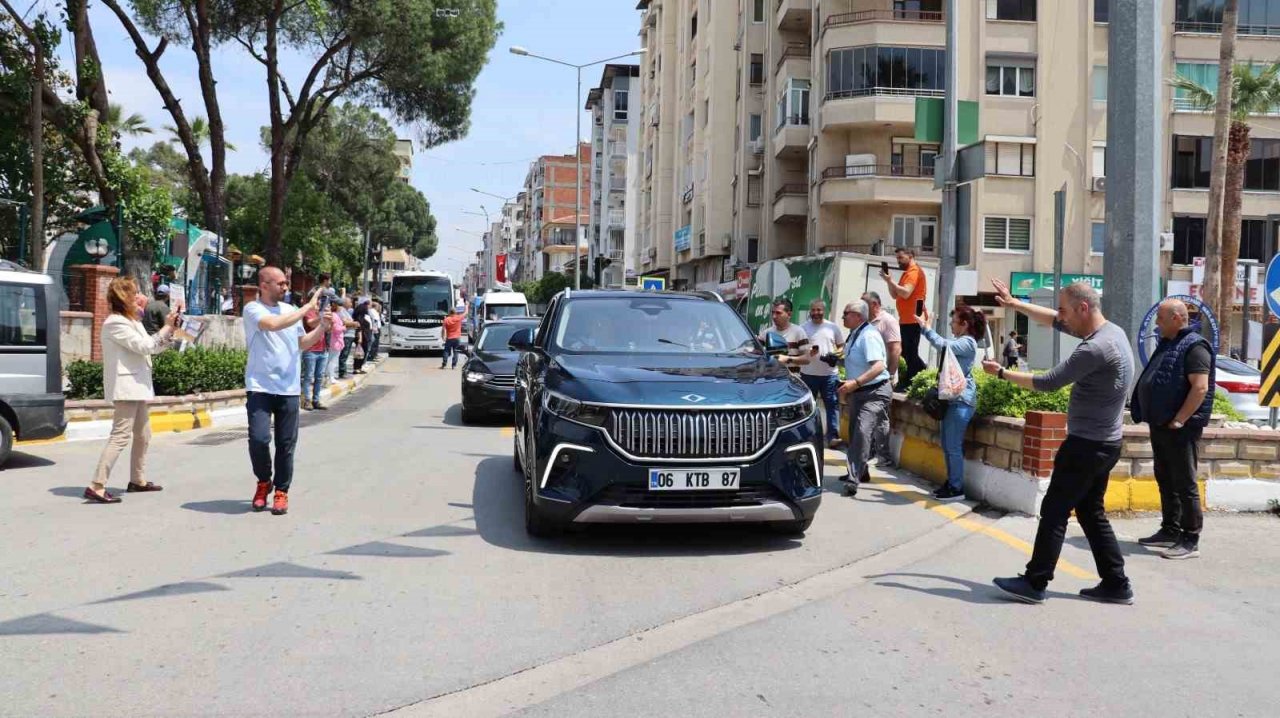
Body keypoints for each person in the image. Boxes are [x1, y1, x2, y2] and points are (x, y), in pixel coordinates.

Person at [983, 280, 1135, 605]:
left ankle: (1035, 581)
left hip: (1085, 446)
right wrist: (1014, 304)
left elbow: (1049, 382)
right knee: (1091, 512)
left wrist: (1001, 374)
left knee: (1054, 511)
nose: (1061, 318)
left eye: (1066, 310)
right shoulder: (1113, 334)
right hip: (1106, 443)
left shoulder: (1094, 348)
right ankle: (1116, 583)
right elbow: (1053, 319)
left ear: (1083, 308)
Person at [84, 277, 181, 503]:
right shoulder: (115, 323)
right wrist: (166, 326)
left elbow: (151, 348)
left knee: (143, 434)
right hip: (126, 387)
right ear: (124, 298)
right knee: (120, 436)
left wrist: (169, 334)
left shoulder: (132, 321)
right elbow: (145, 346)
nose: (140, 296)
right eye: (135, 293)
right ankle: (96, 485)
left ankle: (137, 480)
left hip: (137, 385)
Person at [243, 266, 331, 516]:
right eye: (280, 283)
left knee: (286, 443)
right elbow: (272, 325)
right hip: (260, 386)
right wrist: (308, 307)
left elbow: (301, 343)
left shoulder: (291, 311)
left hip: (289, 389)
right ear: (264, 285)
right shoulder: (253, 309)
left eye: (286, 283)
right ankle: (263, 481)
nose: (285, 287)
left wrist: (321, 328)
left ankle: (282, 490)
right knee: (259, 440)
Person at [1129, 299, 1212, 560]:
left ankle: (1190, 538)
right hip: (1161, 423)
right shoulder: (1169, 343)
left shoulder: (1195, 347)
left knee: (1185, 481)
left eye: (1161, 319)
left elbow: (1200, 388)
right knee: (1165, 476)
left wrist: (1180, 419)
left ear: (1177, 318)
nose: (1157, 323)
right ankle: (1170, 530)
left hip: (1180, 427)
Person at [919, 304, 985, 500]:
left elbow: (943, 345)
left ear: (964, 324)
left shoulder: (968, 342)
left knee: (953, 446)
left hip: (962, 401)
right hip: (953, 400)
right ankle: (951, 482)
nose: (951, 324)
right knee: (948, 445)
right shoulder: (964, 340)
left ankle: (956, 488)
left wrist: (926, 328)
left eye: (954, 321)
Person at [836, 300, 892, 496]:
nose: (843, 317)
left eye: (846, 313)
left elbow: (878, 366)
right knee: (855, 433)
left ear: (858, 316)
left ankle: (853, 478)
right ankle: (863, 471)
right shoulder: (855, 333)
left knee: (861, 431)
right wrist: (836, 360)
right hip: (859, 392)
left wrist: (856, 383)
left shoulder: (868, 335)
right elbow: (856, 359)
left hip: (875, 392)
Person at [799, 299, 845, 449]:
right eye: (813, 310)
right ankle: (808, 435)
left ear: (824, 311)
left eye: (819, 310)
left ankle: (833, 437)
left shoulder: (833, 327)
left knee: (832, 405)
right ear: (810, 311)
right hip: (808, 374)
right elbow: (799, 350)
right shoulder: (803, 328)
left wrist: (835, 354)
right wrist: (808, 352)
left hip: (829, 374)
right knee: (808, 407)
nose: (816, 313)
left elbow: (841, 346)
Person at [880, 247, 927, 390]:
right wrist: (889, 281)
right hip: (906, 319)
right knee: (907, 351)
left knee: (910, 352)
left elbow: (906, 293)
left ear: (910, 256)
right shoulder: (906, 273)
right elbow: (895, 295)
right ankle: (920, 374)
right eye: (897, 258)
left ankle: (913, 380)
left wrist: (891, 281)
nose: (898, 261)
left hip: (913, 319)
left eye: (901, 258)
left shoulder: (914, 272)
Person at [864, 291, 901, 468]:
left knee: (880, 417)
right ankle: (869, 452)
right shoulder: (867, 322)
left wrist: (891, 374)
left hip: (882, 377)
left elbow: (895, 349)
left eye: (864, 303)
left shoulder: (888, 321)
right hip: (868, 378)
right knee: (868, 417)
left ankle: (883, 455)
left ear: (875, 304)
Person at [758, 298, 810, 372]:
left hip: (791, 380)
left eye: (778, 313)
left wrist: (787, 359)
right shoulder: (766, 333)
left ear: (789, 314)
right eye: (773, 312)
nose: (774, 316)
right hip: (771, 379)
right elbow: (754, 352)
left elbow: (807, 359)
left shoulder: (798, 332)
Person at [299, 289, 330, 411]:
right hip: (311, 349)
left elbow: (328, 329)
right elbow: (310, 323)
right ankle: (306, 400)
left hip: (322, 349)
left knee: (319, 377)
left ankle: (316, 400)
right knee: (309, 376)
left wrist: (327, 319)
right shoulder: (309, 311)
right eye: (319, 300)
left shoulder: (321, 311)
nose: (321, 303)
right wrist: (321, 316)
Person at [335, 297, 358, 380]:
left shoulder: (347, 312)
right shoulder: (341, 311)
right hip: (346, 335)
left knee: (346, 354)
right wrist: (354, 323)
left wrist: (352, 323)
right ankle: (342, 372)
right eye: (350, 302)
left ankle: (343, 371)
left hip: (350, 335)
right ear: (345, 303)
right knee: (344, 354)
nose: (351, 304)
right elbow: (345, 322)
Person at [441, 303, 467, 369]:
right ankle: (454, 365)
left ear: (449, 312)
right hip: (457, 338)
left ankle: (444, 364)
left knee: (446, 351)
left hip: (449, 338)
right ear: (455, 312)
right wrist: (466, 305)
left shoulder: (446, 319)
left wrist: (443, 336)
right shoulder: (458, 317)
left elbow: (443, 329)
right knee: (456, 352)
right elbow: (466, 312)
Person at [367, 299, 384, 363]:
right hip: (375, 329)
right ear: (375, 306)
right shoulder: (372, 311)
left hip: (377, 329)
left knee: (376, 343)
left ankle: (374, 355)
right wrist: (376, 330)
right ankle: (371, 356)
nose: (379, 307)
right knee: (374, 343)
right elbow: (375, 321)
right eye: (378, 306)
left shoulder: (375, 312)